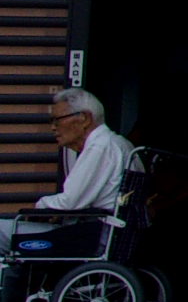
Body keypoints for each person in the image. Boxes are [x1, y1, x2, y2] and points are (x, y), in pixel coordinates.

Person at [0, 88, 134, 250]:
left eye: (57, 120)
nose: (53, 128)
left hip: (89, 236)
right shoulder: (119, 144)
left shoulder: (100, 147)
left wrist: (41, 206)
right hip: (99, 232)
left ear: (84, 118)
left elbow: (70, 201)